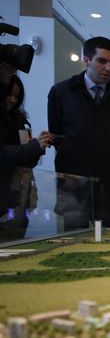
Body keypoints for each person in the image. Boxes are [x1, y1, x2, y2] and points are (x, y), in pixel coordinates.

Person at [47, 36, 110, 229]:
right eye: (102, 61)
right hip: (73, 184)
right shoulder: (61, 93)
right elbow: (57, 136)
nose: (109, 68)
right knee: (73, 243)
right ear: (86, 60)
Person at [0, 75, 51, 233]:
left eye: (16, 96)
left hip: (19, 198)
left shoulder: (20, 120)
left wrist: (38, 146)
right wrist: (34, 147)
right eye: (9, 94)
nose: (13, 100)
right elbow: (3, 154)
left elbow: (28, 161)